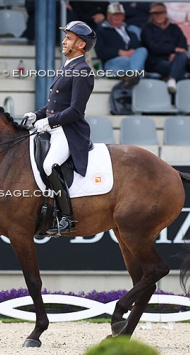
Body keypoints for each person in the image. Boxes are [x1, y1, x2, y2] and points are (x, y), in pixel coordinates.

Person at [22, 21, 96, 235]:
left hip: (69, 131)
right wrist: (36, 115)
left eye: (69, 38)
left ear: (81, 44)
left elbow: (75, 111)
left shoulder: (82, 71)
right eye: (65, 37)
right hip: (55, 127)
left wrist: (50, 122)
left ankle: (67, 217)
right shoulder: (67, 67)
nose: (64, 41)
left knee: (49, 165)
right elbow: (54, 106)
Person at [95, 2, 147, 88]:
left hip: (132, 61)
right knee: (131, 62)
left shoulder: (131, 32)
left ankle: (134, 75)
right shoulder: (102, 31)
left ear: (123, 16)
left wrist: (132, 52)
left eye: (119, 15)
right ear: (108, 16)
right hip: (112, 63)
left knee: (142, 50)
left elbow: (138, 47)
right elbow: (100, 52)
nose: (117, 17)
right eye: (114, 15)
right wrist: (119, 52)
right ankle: (135, 75)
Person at [140, 2, 188, 93]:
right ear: (151, 15)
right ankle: (174, 88)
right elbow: (153, 47)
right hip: (155, 61)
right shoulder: (147, 29)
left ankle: (171, 80)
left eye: (160, 13)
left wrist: (174, 53)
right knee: (180, 69)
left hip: (175, 58)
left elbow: (183, 45)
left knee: (182, 56)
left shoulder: (174, 28)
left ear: (165, 14)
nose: (158, 16)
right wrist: (172, 50)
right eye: (155, 13)